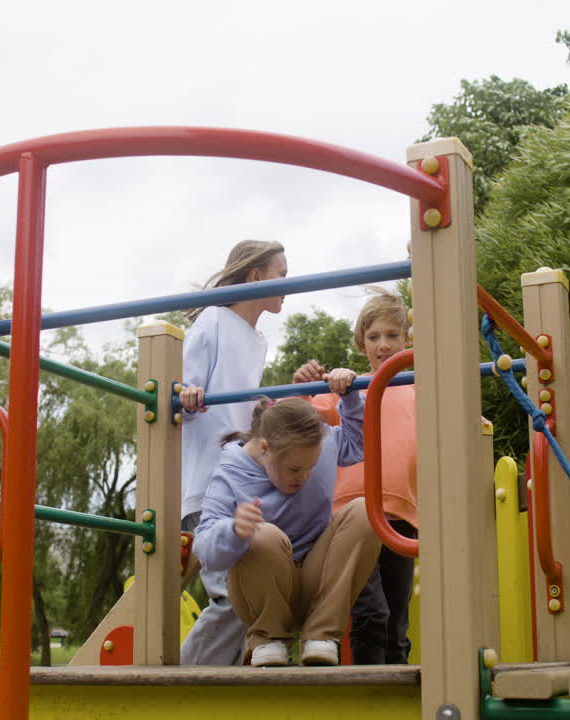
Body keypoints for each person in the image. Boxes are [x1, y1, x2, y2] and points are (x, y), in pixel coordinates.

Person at [192, 387, 383, 667]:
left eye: (312, 466)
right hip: (262, 591)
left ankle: (321, 636)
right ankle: (269, 639)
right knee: (263, 533)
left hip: (314, 582)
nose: (304, 476)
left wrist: (350, 398)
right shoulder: (230, 473)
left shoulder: (322, 443)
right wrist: (233, 530)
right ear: (265, 448)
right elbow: (205, 550)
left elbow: (361, 443)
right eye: (294, 470)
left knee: (366, 510)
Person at [177, 240, 288, 666]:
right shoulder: (213, 321)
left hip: (242, 477)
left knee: (248, 594)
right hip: (209, 482)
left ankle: (220, 684)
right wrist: (186, 393)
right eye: (282, 273)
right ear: (255, 276)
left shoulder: (256, 339)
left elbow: (239, 410)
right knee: (229, 598)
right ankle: (182, 688)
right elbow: (181, 395)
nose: (288, 285)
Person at [295, 288, 418, 664]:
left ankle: (398, 699)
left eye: (392, 335)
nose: (382, 345)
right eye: (373, 337)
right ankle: (370, 691)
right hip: (353, 517)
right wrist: (303, 388)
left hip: (402, 517)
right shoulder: (349, 387)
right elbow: (302, 420)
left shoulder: (420, 386)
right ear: (361, 342)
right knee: (371, 614)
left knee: (397, 622)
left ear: (407, 339)